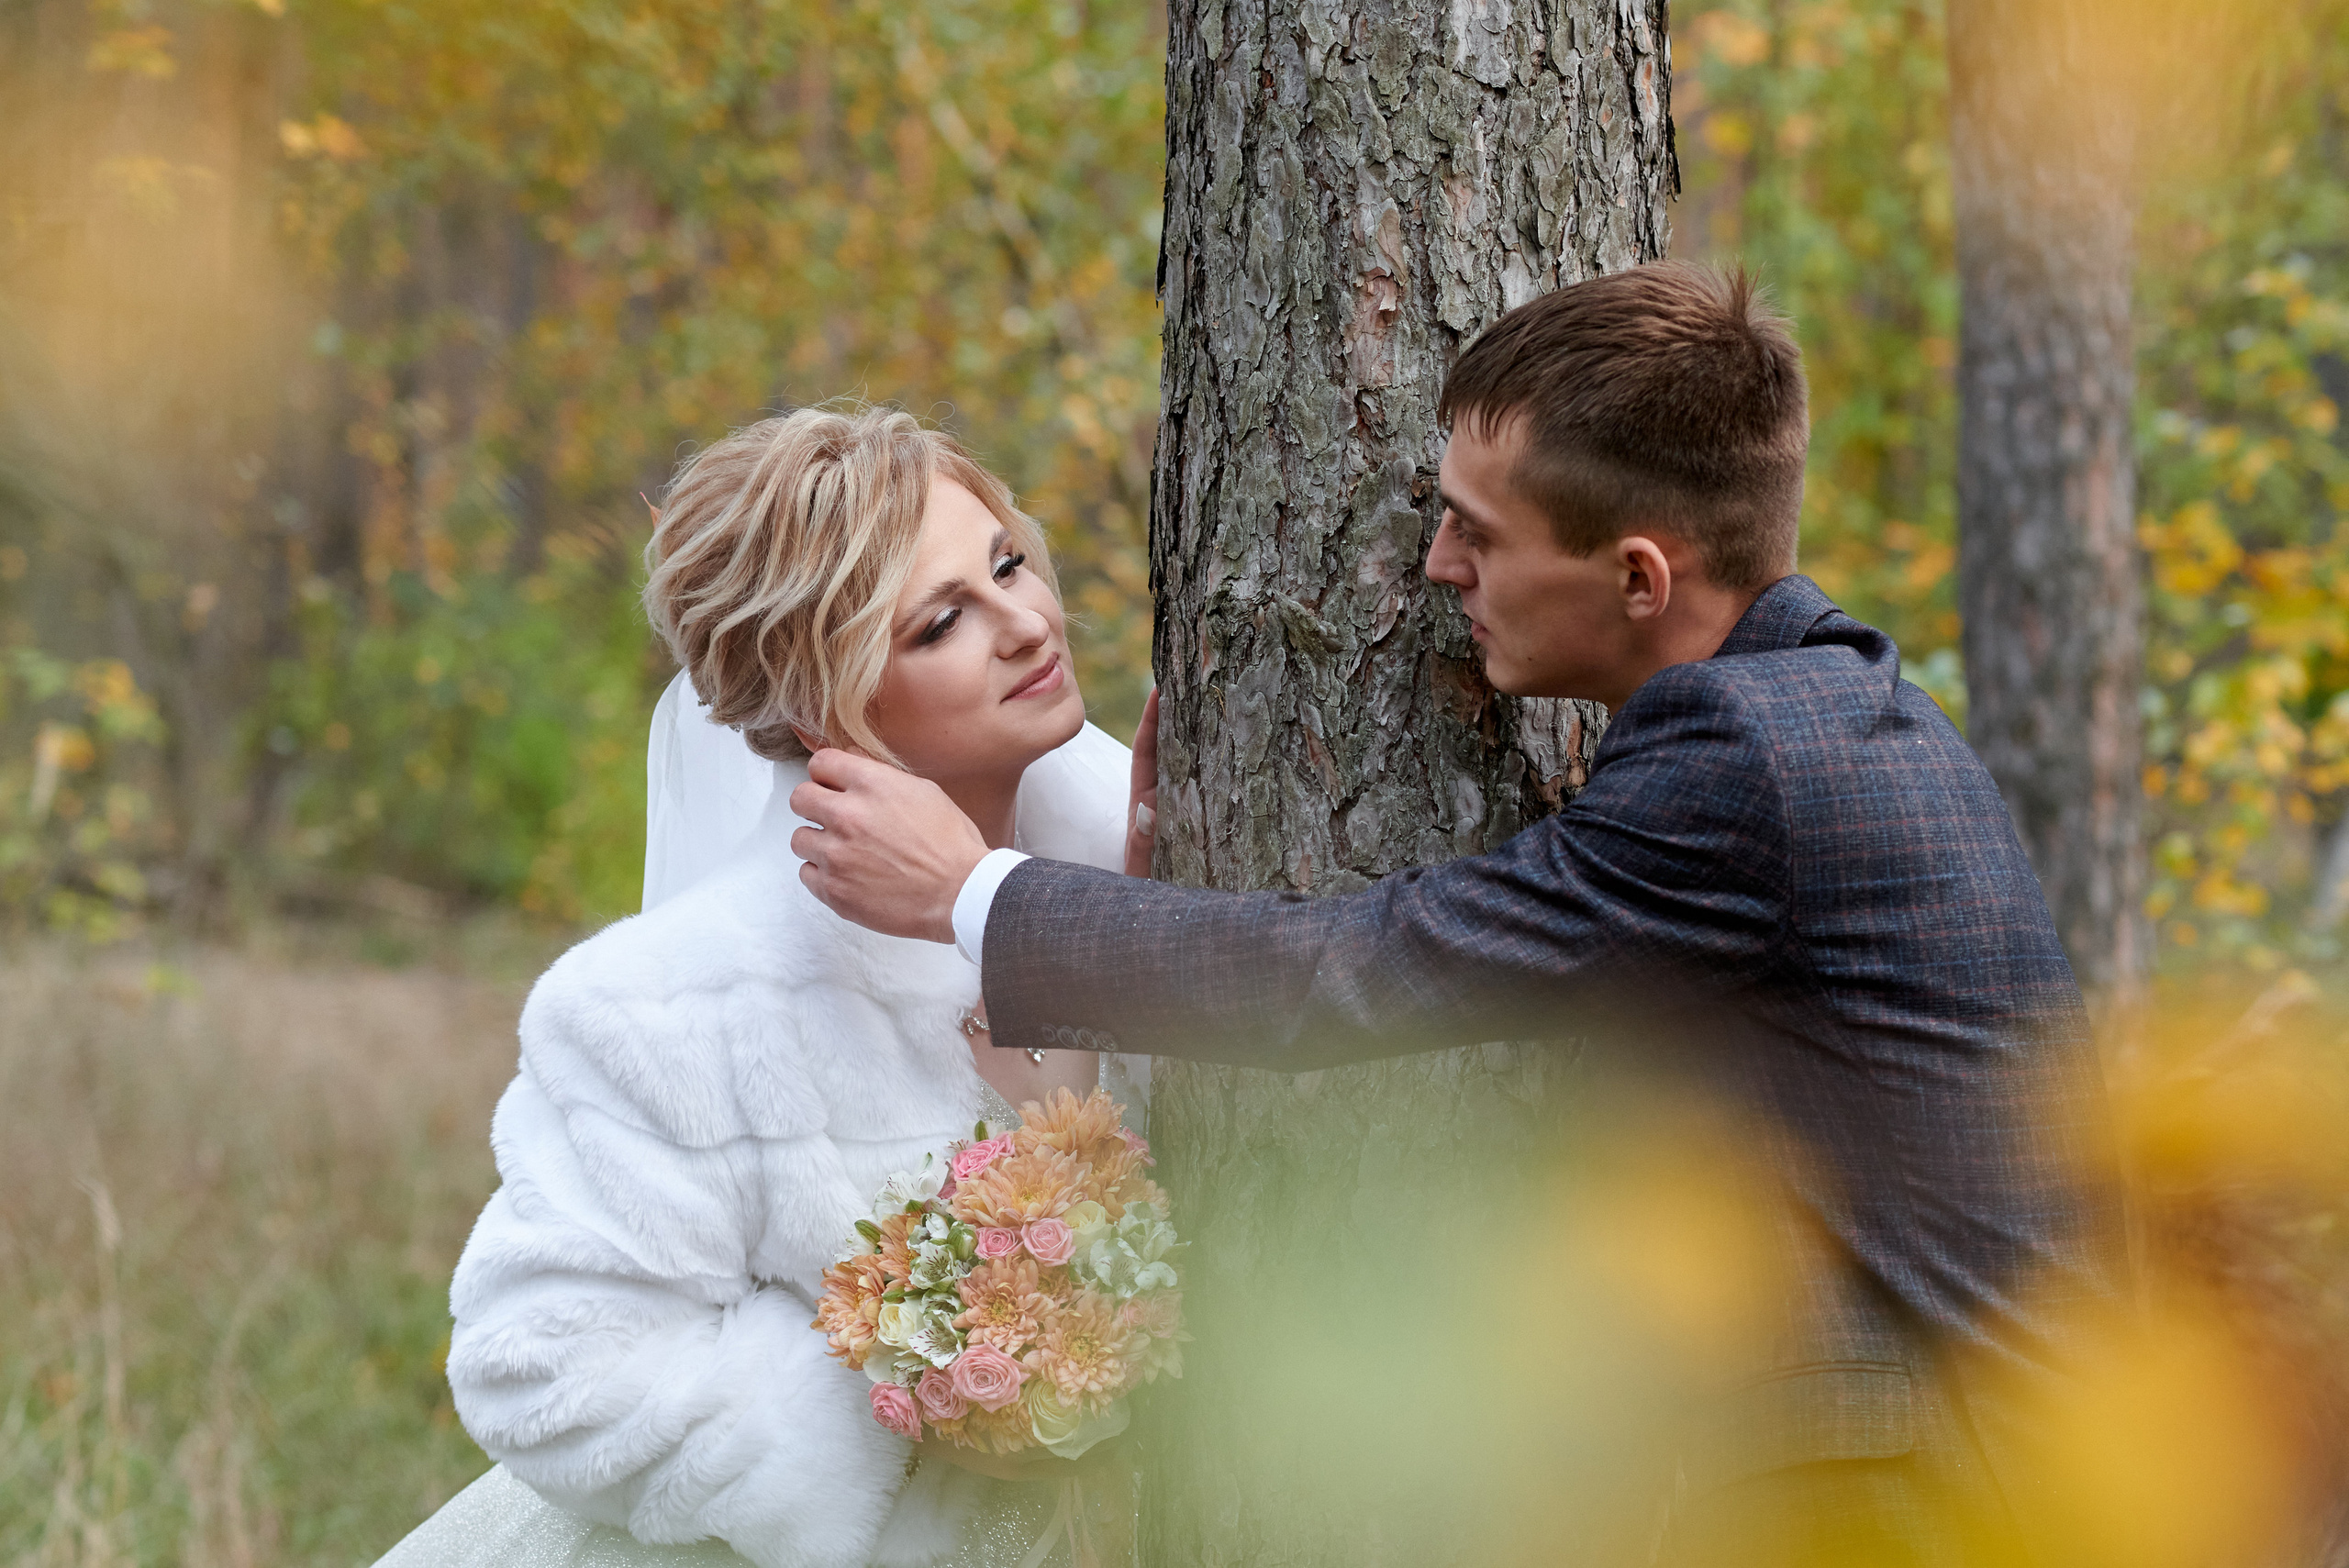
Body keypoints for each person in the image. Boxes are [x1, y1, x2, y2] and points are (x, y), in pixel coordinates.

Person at [786, 263, 2129, 1564]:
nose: (1437, 565)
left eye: (1478, 532)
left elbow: (1353, 971)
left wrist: (970, 890)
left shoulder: (1741, 752)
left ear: (1642, 579)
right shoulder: (1823, 702)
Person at [373, 406, 1149, 1568]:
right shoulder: (678, 1007)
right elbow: (539, 1361)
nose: (1026, 623)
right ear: (811, 705)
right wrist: (918, 1394)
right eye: (940, 622)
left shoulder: (1153, 894)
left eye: (1007, 564)